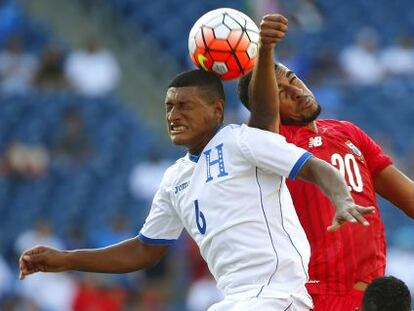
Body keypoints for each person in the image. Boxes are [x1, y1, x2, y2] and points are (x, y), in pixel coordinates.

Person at [19, 15, 373, 311]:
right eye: (169, 107)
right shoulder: (175, 179)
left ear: (216, 110)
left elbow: (314, 165)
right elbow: (144, 250)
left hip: (278, 296)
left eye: (184, 106)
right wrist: (66, 260)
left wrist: (340, 198)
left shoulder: (241, 140)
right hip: (233, 301)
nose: (173, 115)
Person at [238, 48, 414, 311]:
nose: (297, 91)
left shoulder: (348, 132)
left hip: (374, 297)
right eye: (282, 93)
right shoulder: (271, 145)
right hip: (318, 296)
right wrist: (266, 48)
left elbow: (408, 198)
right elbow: (262, 116)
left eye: (294, 79)